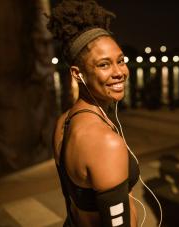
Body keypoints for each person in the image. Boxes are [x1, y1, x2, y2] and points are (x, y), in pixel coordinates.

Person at [47, 1, 140, 226]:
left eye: (121, 61)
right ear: (78, 74)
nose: (119, 72)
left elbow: (72, 200)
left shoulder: (64, 122)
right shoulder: (105, 142)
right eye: (104, 65)